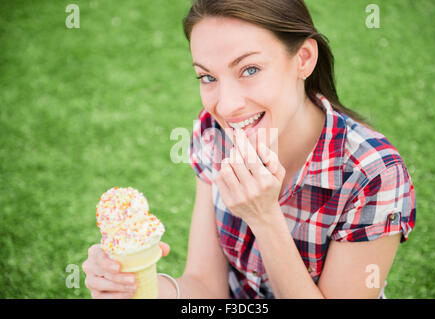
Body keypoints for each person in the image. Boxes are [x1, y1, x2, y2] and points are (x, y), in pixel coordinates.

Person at [82, 0, 416, 299]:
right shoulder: (214, 133)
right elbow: (205, 287)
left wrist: (264, 218)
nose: (226, 107)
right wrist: (138, 289)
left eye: (250, 70)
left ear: (303, 59)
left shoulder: (373, 172)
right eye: (207, 77)